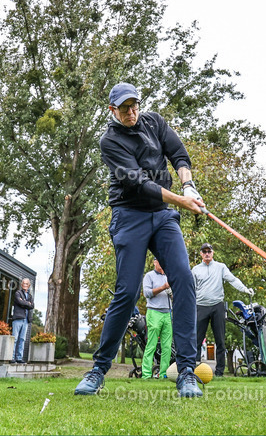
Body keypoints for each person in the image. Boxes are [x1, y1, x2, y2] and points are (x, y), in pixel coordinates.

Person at [75, 83, 207, 398]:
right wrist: (181, 201)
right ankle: (98, 370)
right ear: (112, 110)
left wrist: (188, 187)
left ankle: (186, 371)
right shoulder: (110, 142)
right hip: (129, 215)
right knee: (128, 291)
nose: (131, 113)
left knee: (184, 279)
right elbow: (139, 183)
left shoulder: (153, 122)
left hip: (161, 216)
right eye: (124, 109)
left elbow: (178, 154)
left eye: (134, 106)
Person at [193, 243, 253, 377]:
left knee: (220, 339)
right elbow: (191, 288)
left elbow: (232, 279)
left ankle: (219, 372)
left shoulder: (221, 267)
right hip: (200, 306)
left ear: (212, 253)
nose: (207, 254)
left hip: (217, 306)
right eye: (204, 251)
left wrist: (244, 289)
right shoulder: (196, 269)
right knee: (197, 339)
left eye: (209, 251)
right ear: (201, 254)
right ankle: (194, 369)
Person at [141, 259, 173, 379]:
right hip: (154, 312)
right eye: (158, 260)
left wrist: (172, 293)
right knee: (152, 344)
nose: (161, 263)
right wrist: (163, 287)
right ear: (154, 262)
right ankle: (146, 374)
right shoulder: (149, 276)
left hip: (167, 313)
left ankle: (163, 374)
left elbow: (174, 297)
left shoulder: (169, 276)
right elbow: (147, 293)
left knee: (167, 346)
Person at [12, 278, 33, 364]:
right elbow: (20, 303)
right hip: (18, 319)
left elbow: (32, 306)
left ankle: (19, 358)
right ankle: (12, 357)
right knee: (15, 338)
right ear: (21, 285)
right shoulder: (18, 293)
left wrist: (24, 302)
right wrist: (27, 303)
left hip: (26, 320)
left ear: (29, 285)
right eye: (23, 283)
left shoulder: (30, 296)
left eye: (27, 283)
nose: (25, 285)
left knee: (22, 339)